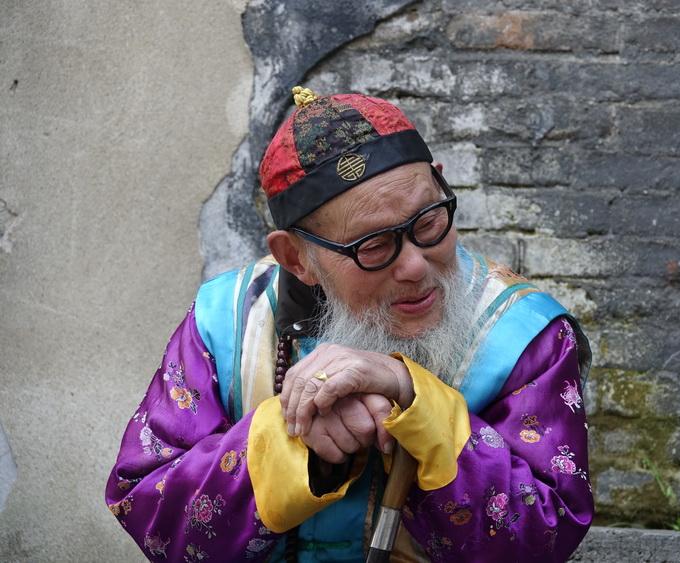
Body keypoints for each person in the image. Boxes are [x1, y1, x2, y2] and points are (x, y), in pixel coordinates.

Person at [105, 86, 594, 562]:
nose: (415, 266)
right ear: (296, 258)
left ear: (440, 184)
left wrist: (413, 398)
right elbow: (149, 511)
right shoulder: (224, 322)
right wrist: (295, 442)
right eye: (374, 247)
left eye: (428, 223)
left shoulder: (523, 333)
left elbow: (545, 538)